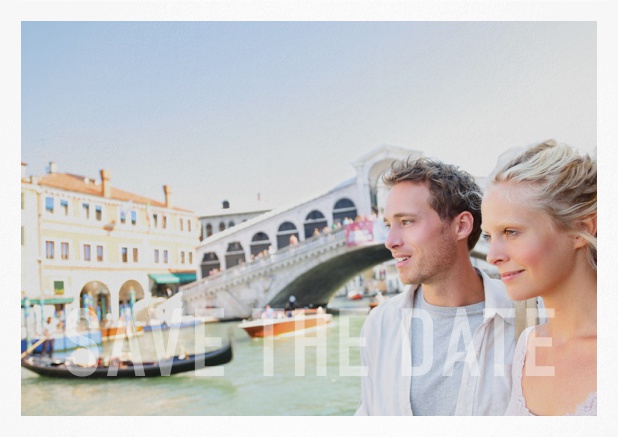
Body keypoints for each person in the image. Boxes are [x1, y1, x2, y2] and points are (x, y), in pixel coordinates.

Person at [355, 156, 516, 416]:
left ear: (461, 226)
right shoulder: (379, 324)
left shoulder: (528, 319)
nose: (390, 241)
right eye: (388, 225)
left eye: (406, 221)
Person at [481, 140, 596, 416]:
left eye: (511, 232)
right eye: (488, 237)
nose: (492, 255)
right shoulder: (526, 346)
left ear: (581, 229)